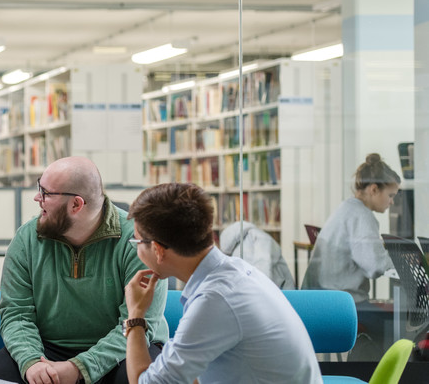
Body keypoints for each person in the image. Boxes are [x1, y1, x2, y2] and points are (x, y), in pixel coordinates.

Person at [0, 156, 167, 384]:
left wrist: (80, 368)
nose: (36, 197)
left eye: (46, 193)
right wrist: (32, 361)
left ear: (76, 205)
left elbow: (139, 322)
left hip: (123, 349)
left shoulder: (138, 242)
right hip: (46, 349)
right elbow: (16, 313)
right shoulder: (26, 239)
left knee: (143, 379)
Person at [124, 182, 321, 384]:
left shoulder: (214, 300)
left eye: (137, 241)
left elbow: (144, 382)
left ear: (157, 249)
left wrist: (136, 316)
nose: (135, 248)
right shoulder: (236, 271)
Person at [302, 153, 399, 357]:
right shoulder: (362, 216)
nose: (391, 203)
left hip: (321, 300)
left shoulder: (347, 208)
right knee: (395, 329)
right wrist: (400, 259)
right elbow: (375, 264)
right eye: (390, 196)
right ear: (374, 189)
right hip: (340, 305)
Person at [218, 220, 295, 289]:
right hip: (274, 293)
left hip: (278, 293)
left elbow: (263, 271)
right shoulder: (257, 238)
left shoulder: (256, 238)